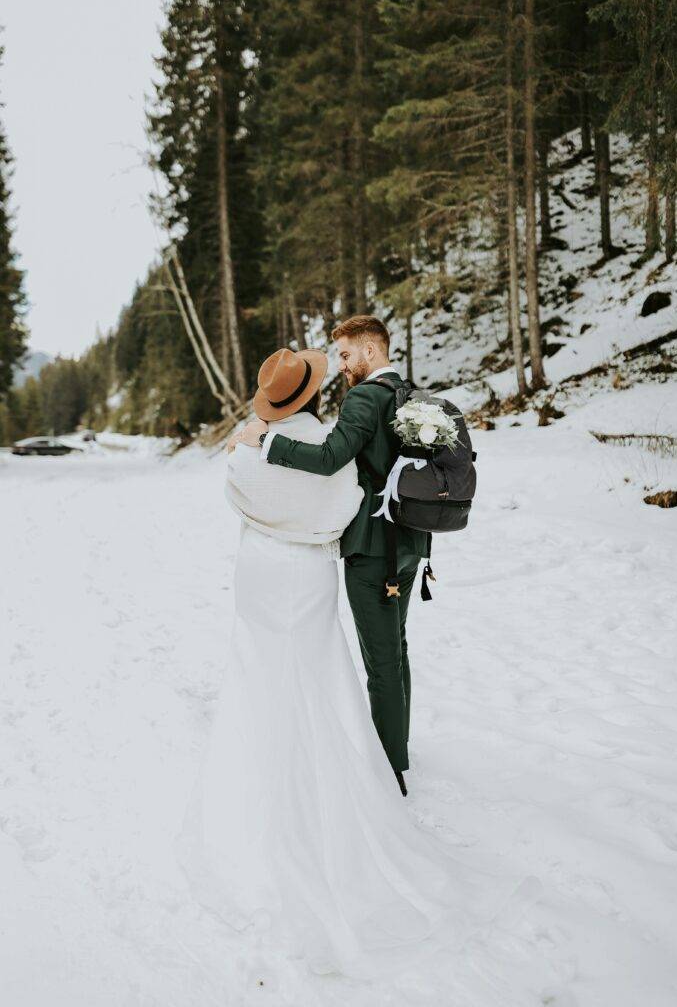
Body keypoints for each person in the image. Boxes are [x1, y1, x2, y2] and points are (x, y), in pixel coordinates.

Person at [175, 345, 521, 978]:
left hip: (261, 573)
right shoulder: (374, 414)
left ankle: (277, 757)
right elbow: (340, 512)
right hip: (322, 570)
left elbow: (238, 499)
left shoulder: (254, 449)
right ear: (311, 393)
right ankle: (378, 762)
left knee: (260, 667)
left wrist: (256, 459)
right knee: (330, 666)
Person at [236, 315, 427, 795]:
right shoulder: (407, 392)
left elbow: (328, 460)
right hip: (410, 543)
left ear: (369, 349)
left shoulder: (366, 397)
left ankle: (390, 771)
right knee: (396, 651)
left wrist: (267, 441)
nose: (341, 365)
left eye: (345, 354)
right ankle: (397, 749)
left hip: (372, 549)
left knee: (380, 661)